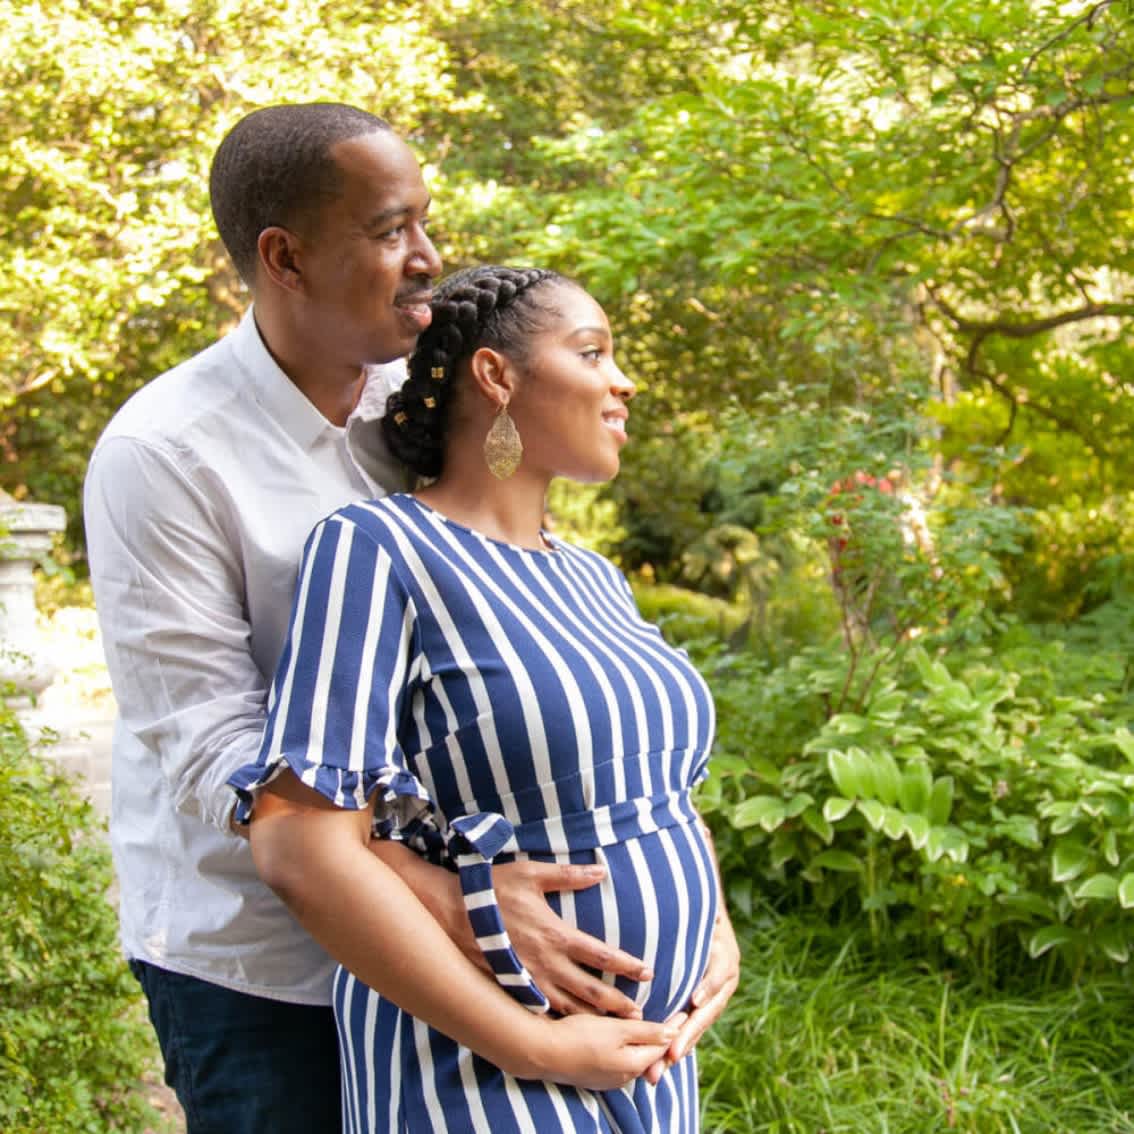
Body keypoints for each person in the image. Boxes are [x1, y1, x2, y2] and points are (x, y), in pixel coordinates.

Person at [84, 105, 714, 1134]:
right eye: (389, 232)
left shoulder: (421, 406)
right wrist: (449, 888)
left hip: (477, 969)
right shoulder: (164, 454)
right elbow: (213, 749)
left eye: (425, 223)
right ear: (284, 258)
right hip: (260, 968)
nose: (426, 259)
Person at [230, 265, 740, 1131]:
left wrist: (713, 922)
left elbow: (662, 791)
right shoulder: (377, 549)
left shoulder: (594, 577)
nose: (625, 381)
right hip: (480, 1061)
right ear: (497, 377)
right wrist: (527, 1045)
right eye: (593, 352)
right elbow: (300, 849)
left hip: (651, 1056)